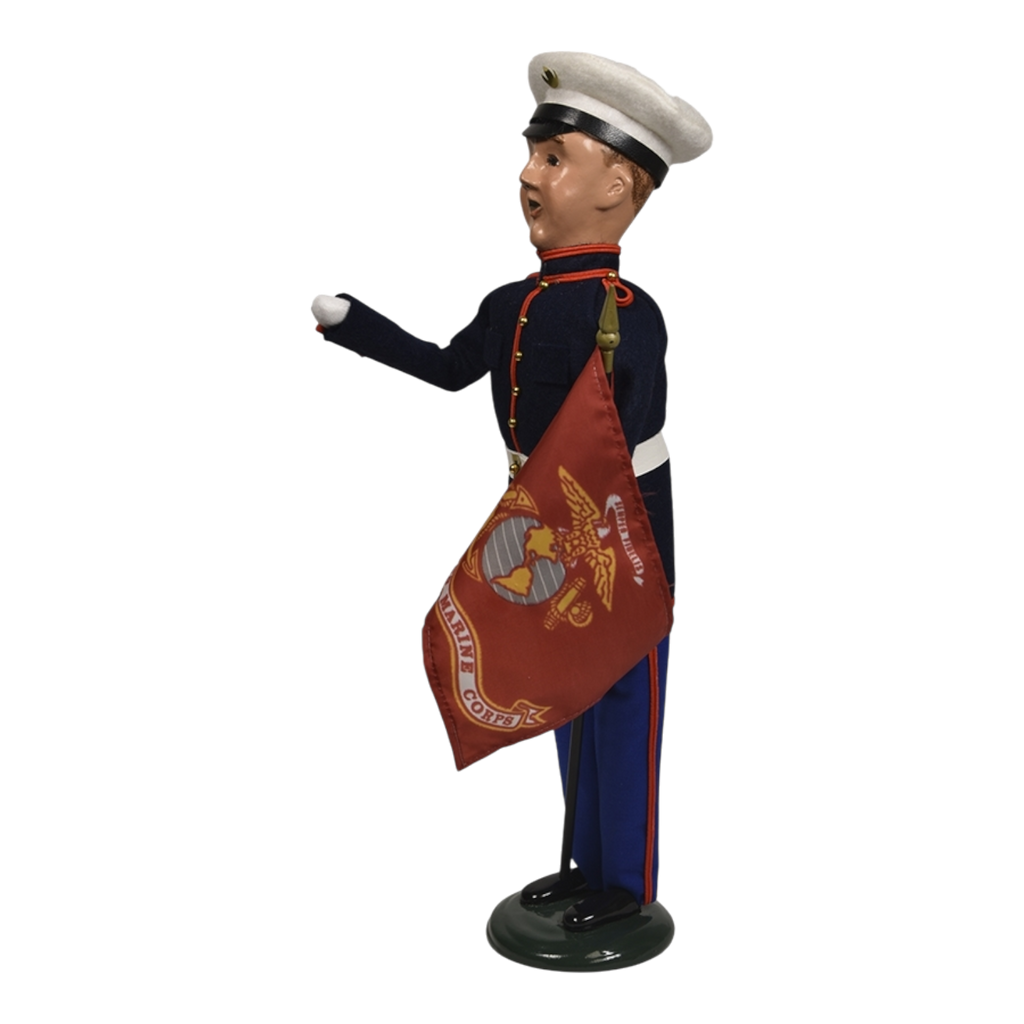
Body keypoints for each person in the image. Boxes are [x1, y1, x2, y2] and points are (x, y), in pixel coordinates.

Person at [310, 48, 714, 931]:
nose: (527, 173)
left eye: (554, 157)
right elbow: (447, 369)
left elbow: (621, 444)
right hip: (535, 528)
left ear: (617, 186)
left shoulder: (628, 313)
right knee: (563, 695)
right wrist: (352, 326)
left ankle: (625, 883)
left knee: (623, 703)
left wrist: (591, 526)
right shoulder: (511, 305)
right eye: (529, 154)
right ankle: (579, 865)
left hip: (618, 535)